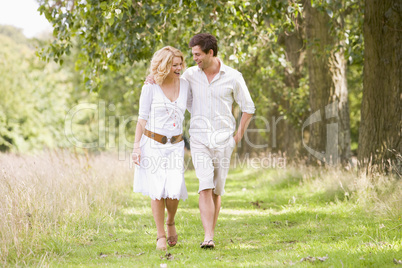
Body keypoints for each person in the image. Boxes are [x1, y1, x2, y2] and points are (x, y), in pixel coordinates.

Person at [182, 33, 255, 249]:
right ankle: (208, 237)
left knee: (216, 189)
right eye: (193, 54)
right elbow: (177, 93)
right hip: (199, 139)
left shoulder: (233, 76)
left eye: (197, 54)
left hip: (224, 141)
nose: (194, 58)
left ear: (210, 53)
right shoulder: (189, 75)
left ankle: (210, 234)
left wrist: (237, 137)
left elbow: (248, 107)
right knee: (204, 185)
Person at [132, 46, 189, 251]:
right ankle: (160, 236)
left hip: (175, 145)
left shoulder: (186, 85)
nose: (179, 67)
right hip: (152, 144)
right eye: (174, 65)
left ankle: (171, 221)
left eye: (180, 63)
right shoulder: (150, 86)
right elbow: (142, 118)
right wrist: (136, 146)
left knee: (173, 188)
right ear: (164, 65)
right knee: (157, 190)